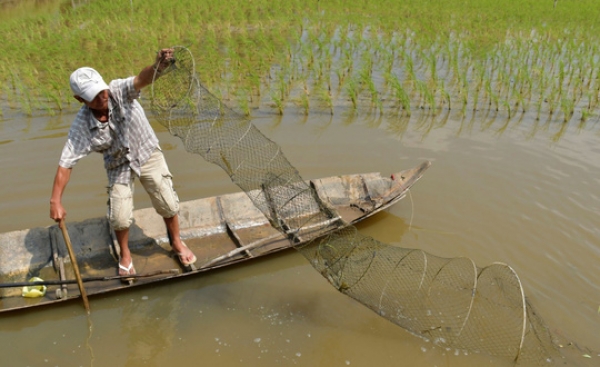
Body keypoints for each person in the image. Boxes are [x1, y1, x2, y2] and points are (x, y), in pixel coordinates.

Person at [49, 48, 197, 276]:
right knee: (119, 217)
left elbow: (141, 79)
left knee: (167, 202)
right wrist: (55, 200)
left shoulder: (117, 90)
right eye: (94, 96)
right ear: (80, 100)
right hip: (117, 163)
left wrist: (158, 66)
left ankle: (176, 242)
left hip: (146, 150)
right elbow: (66, 163)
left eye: (102, 90)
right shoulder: (81, 126)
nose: (103, 97)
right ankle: (125, 254)